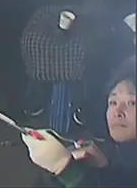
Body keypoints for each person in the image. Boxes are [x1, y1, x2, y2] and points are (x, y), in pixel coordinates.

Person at [21, 59, 137, 187]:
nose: (118, 112)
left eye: (132, 103)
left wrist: (66, 169)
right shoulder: (121, 155)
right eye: (113, 102)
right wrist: (103, 167)